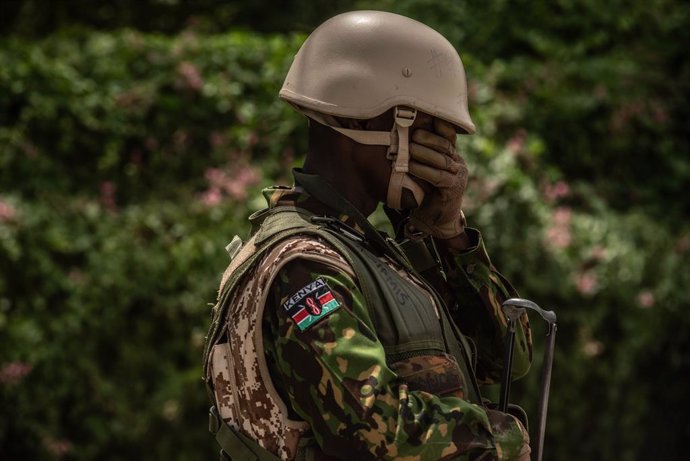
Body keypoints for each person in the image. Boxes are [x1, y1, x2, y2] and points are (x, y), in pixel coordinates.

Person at [204, 10, 532, 461]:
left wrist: (448, 236)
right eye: (433, 131)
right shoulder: (304, 265)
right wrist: (501, 440)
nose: (449, 155)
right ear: (366, 122)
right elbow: (375, 433)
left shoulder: (368, 249)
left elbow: (506, 360)